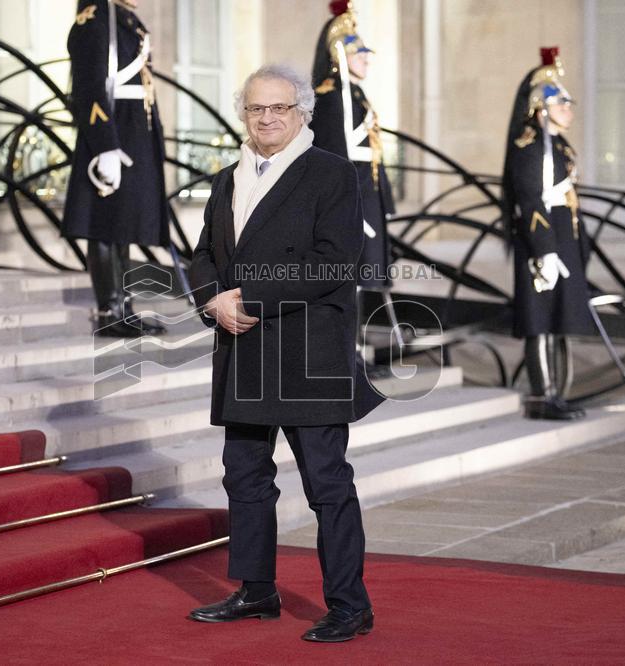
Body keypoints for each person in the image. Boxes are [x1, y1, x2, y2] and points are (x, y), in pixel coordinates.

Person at [186, 64, 384, 642]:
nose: (267, 118)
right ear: (243, 115)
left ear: (301, 113)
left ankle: (351, 606)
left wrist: (248, 297)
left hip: (307, 352)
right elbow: (202, 255)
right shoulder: (225, 180)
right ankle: (256, 591)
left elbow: (334, 263)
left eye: (279, 108)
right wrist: (211, 299)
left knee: (327, 485)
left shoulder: (332, 174)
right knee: (244, 477)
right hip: (243, 346)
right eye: (255, 109)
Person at [63, 0, 167, 337]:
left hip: (134, 129)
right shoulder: (93, 21)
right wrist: (105, 145)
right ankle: (110, 310)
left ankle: (125, 307)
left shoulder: (125, 20)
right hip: (111, 129)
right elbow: (89, 88)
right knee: (105, 224)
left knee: (124, 223)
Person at [502, 47, 591, 420]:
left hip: (563, 242)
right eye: (561, 101)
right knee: (540, 320)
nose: (569, 107)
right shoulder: (530, 148)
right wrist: (545, 251)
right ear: (542, 107)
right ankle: (544, 394)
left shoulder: (559, 146)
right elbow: (530, 200)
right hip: (543, 245)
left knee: (561, 319)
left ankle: (560, 393)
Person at [309, 1, 398, 365]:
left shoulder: (356, 95)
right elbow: (333, 160)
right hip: (351, 201)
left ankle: (354, 353)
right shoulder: (331, 98)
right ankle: (343, 354)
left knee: (361, 280)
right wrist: (346, 207)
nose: (366, 58)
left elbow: (372, 155)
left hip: (367, 198)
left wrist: (383, 204)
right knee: (347, 280)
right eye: (359, 51)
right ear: (340, 53)